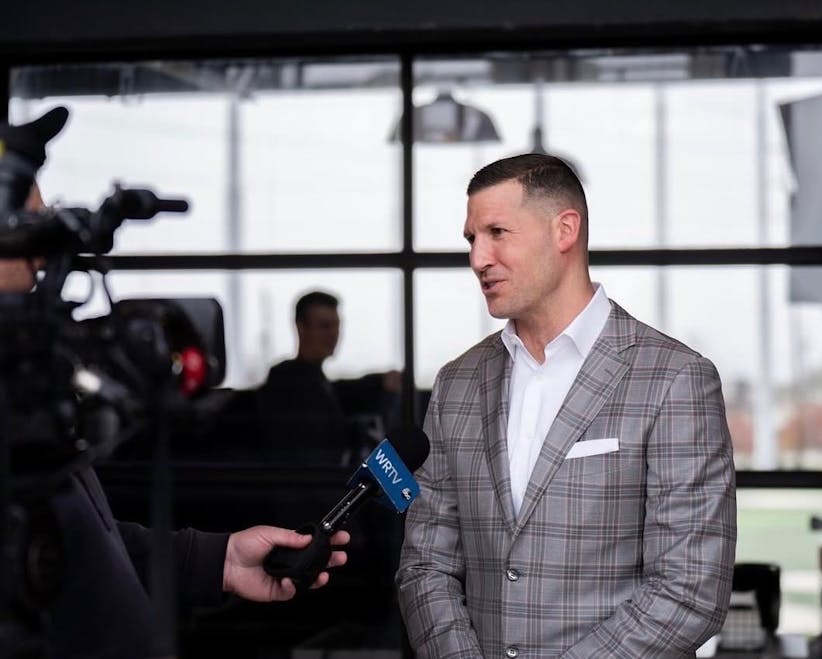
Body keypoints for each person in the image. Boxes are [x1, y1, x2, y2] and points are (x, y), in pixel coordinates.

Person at [0, 109, 351, 656]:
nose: (43, 256)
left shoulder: (24, 391)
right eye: (25, 229)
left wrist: (218, 560)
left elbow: (79, 545)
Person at [396, 154, 737, 657]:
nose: (478, 258)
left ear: (564, 230)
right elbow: (426, 565)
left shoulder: (674, 380)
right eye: (472, 239)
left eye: (497, 232)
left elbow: (689, 589)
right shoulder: (457, 383)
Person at [258, 290, 401, 461]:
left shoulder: (317, 379)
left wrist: (382, 381)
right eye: (325, 326)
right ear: (301, 327)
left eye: (337, 326)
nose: (334, 334)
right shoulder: (287, 380)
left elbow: (340, 390)